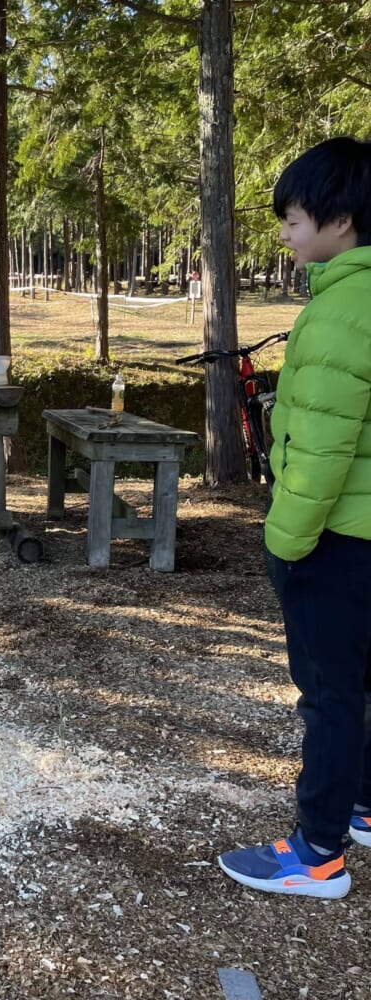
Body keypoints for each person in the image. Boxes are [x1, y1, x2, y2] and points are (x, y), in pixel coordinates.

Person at [217, 136, 371, 899]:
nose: (285, 232)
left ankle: (317, 853)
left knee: (330, 694)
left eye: (294, 217)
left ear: (341, 219)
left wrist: (285, 542)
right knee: (363, 681)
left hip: (336, 540)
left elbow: (319, 449)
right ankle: (364, 806)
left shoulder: (340, 312)